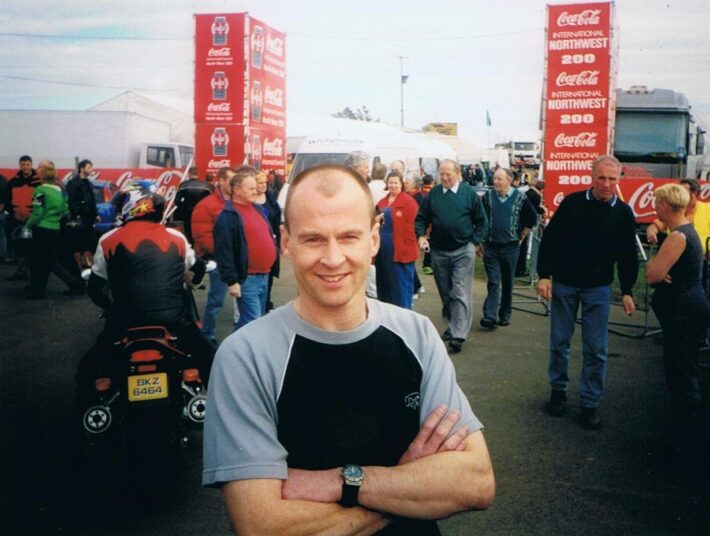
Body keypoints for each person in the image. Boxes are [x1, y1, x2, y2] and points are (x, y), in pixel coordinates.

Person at [202, 163, 495, 535]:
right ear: (286, 242)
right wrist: (406, 485)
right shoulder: (246, 356)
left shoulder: (416, 335)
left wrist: (343, 482)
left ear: (374, 239)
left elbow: (476, 482)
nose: (333, 258)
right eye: (313, 239)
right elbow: (264, 527)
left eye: (348, 237)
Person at [537, 155, 639, 430]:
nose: (606, 184)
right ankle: (558, 392)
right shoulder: (572, 203)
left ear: (619, 180)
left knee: (596, 349)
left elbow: (628, 255)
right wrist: (544, 275)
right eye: (601, 178)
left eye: (612, 179)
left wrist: (627, 289)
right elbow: (550, 240)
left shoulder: (623, 213)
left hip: (598, 288)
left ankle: (590, 403)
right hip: (566, 284)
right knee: (560, 342)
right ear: (591, 177)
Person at [77, 186, 215, 387]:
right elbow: (197, 266)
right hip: (172, 319)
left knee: (89, 368)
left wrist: (109, 308)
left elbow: (95, 288)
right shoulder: (176, 238)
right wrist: (195, 280)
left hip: (124, 319)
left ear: (129, 209)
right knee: (207, 353)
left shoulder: (108, 239)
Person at [646, 183, 710, 455]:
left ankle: (688, 438)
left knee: (682, 373)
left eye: (657, 202)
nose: (654, 206)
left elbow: (652, 276)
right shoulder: (685, 231)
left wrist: (656, 266)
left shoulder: (677, 237)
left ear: (664, 206)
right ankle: (687, 433)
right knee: (684, 370)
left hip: (684, 314)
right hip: (689, 310)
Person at [415, 159, 488, 353]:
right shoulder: (434, 196)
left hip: (463, 250)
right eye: (442, 174)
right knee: (446, 291)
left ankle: (459, 334)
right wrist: (421, 235)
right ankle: (451, 323)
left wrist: (474, 242)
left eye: (448, 174)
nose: (445, 177)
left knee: (460, 291)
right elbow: (421, 218)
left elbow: (482, 221)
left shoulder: (468, 194)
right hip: (439, 251)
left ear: (458, 174)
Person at [213, 165, 277, 330]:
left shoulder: (257, 209)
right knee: (253, 324)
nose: (256, 191)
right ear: (237, 190)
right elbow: (224, 251)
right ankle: (241, 353)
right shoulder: (228, 217)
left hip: (264, 276)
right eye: (251, 188)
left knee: (251, 324)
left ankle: (235, 351)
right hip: (248, 279)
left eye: (256, 188)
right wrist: (232, 281)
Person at [479, 168, 537, 329]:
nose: (495, 182)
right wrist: (479, 241)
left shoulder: (520, 197)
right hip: (491, 246)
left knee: (508, 281)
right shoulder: (488, 197)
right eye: (495, 179)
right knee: (493, 281)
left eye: (499, 179)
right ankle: (490, 316)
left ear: (509, 181)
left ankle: (505, 314)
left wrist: (523, 234)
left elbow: (532, 217)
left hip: (511, 247)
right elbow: (480, 218)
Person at [23, 161, 83, 299]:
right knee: (48, 260)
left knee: (37, 262)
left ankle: (37, 290)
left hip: (41, 230)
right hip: (55, 229)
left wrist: (27, 226)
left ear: (42, 174)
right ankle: (71, 283)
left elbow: (37, 213)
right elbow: (65, 211)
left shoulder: (40, 190)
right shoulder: (61, 191)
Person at [191, 167, 237, 343]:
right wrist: (223, 253)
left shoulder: (238, 202)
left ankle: (241, 337)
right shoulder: (206, 205)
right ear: (222, 181)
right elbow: (202, 235)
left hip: (238, 259)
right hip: (220, 260)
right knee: (216, 300)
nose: (234, 184)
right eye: (231, 180)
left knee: (244, 299)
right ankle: (208, 336)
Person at [375, 170, 420, 309]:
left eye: (396, 182)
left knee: (401, 289)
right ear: (386, 184)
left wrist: (407, 245)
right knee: (385, 288)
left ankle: (404, 319)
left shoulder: (408, 202)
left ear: (401, 184)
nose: (393, 185)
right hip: (383, 252)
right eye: (390, 182)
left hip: (401, 252)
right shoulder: (381, 202)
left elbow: (415, 225)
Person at [646, 178, 710, 255]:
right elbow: (656, 225)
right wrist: (651, 232)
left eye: (682, 192)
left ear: (694, 194)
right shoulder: (675, 209)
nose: (679, 194)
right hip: (675, 254)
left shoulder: (707, 208)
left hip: (703, 257)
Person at [4, 155, 40, 281]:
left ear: (31, 165)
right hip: (17, 220)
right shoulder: (13, 182)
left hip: (33, 220)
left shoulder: (39, 182)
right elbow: (6, 200)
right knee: (19, 246)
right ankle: (22, 271)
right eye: (23, 164)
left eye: (27, 164)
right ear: (20, 165)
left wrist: (33, 214)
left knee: (32, 246)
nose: (25, 167)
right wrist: (13, 212)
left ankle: (32, 272)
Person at [65, 159, 98, 280]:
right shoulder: (73, 183)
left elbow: (92, 202)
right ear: (81, 168)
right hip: (77, 221)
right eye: (89, 167)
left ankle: (88, 271)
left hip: (89, 221)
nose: (91, 170)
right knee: (76, 247)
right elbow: (71, 202)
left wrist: (95, 216)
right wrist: (76, 216)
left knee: (88, 246)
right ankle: (78, 272)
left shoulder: (89, 183)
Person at [254, 170, 282, 311]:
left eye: (265, 183)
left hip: (271, 243)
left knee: (269, 278)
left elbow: (276, 217)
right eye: (260, 183)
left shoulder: (270, 198)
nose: (263, 186)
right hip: (255, 245)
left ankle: (266, 304)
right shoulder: (250, 201)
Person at [173, 166, 213, 245]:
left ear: (189, 174)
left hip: (187, 212)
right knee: (201, 231)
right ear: (198, 174)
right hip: (202, 212)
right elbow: (211, 200)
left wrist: (183, 207)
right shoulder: (206, 186)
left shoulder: (183, 185)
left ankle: (190, 248)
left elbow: (177, 201)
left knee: (188, 232)